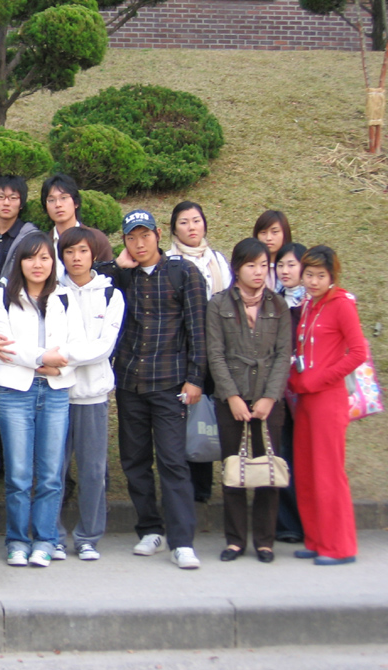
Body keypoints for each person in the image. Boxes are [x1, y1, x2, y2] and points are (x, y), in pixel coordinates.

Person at [99, 209, 208, 570]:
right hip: (130, 381)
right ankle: (149, 529)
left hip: (170, 383)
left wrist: (195, 378)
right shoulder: (122, 277)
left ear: (159, 235)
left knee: (173, 461)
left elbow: (198, 329)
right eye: (131, 237)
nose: (139, 243)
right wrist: (116, 266)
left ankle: (182, 541)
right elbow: (85, 282)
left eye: (145, 235)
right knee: (134, 460)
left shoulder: (183, 273)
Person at [0, 231, 79, 567]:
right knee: (19, 475)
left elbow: (76, 345)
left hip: (55, 391)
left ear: (53, 262)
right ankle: (17, 541)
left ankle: (45, 539)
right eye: (30, 257)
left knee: (51, 473)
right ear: (19, 262)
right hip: (15, 393)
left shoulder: (65, 297)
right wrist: (42, 359)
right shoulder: (3, 295)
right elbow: (4, 346)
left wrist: (58, 366)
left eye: (44, 257)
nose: (37, 264)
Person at [206, 238, 292, 563]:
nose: (258, 272)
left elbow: (283, 355)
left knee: (267, 468)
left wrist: (270, 397)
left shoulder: (278, 305)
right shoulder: (218, 304)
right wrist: (232, 397)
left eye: (263, 266)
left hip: (268, 401)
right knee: (235, 468)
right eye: (251, 265)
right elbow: (215, 354)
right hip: (232, 400)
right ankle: (235, 540)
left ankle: (265, 541)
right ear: (237, 268)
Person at [287, 246, 367, 566]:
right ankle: (316, 539)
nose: (314, 281)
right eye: (309, 274)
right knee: (306, 470)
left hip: (328, 399)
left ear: (332, 277)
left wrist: (319, 379)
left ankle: (339, 547)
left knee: (328, 473)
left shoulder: (342, 304)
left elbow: (358, 353)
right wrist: (298, 379)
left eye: (321, 275)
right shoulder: (308, 304)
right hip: (306, 398)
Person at [55, 227, 125, 561]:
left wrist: (63, 357)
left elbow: (104, 347)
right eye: (69, 252)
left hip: (93, 396)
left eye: (82, 251)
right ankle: (52, 534)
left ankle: (88, 537)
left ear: (93, 254)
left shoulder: (111, 295)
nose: (76, 258)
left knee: (93, 471)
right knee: (53, 470)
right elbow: (51, 340)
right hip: (57, 394)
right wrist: (61, 355)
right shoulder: (53, 293)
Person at [166, 200, 232, 504]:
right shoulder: (169, 262)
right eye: (184, 222)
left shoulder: (218, 260)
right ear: (173, 229)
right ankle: (186, 485)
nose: (191, 227)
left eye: (196, 220)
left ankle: (208, 484)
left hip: (217, 349)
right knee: (185, 416)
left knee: (209, 413)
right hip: (181, 351)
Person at [274, 242, 308, 543]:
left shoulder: (314, 302)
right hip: (281, 391)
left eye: (291, 265)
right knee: (283, 454)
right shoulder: (274, 300)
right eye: (280, 265)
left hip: (310, 391)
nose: (285, 270)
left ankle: (313, 523)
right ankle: (288, 524)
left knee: (309, 457)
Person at [41, 173, 113, 278]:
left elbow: (108, 276)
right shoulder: (42, 244)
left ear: (76, 203)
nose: (58, 205)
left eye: (64, 198)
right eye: (51, 200)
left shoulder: (97, 239)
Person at [0, 175, 38, 282]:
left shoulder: (31, 238)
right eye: (1, 197)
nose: (6, 203)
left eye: (13, 198)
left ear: (21, 204)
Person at [252, 210, 292, 292]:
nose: (268, 238)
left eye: (275, 232)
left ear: (285, 234)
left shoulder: (295, 265)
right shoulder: (249, 266)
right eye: (263, 232)